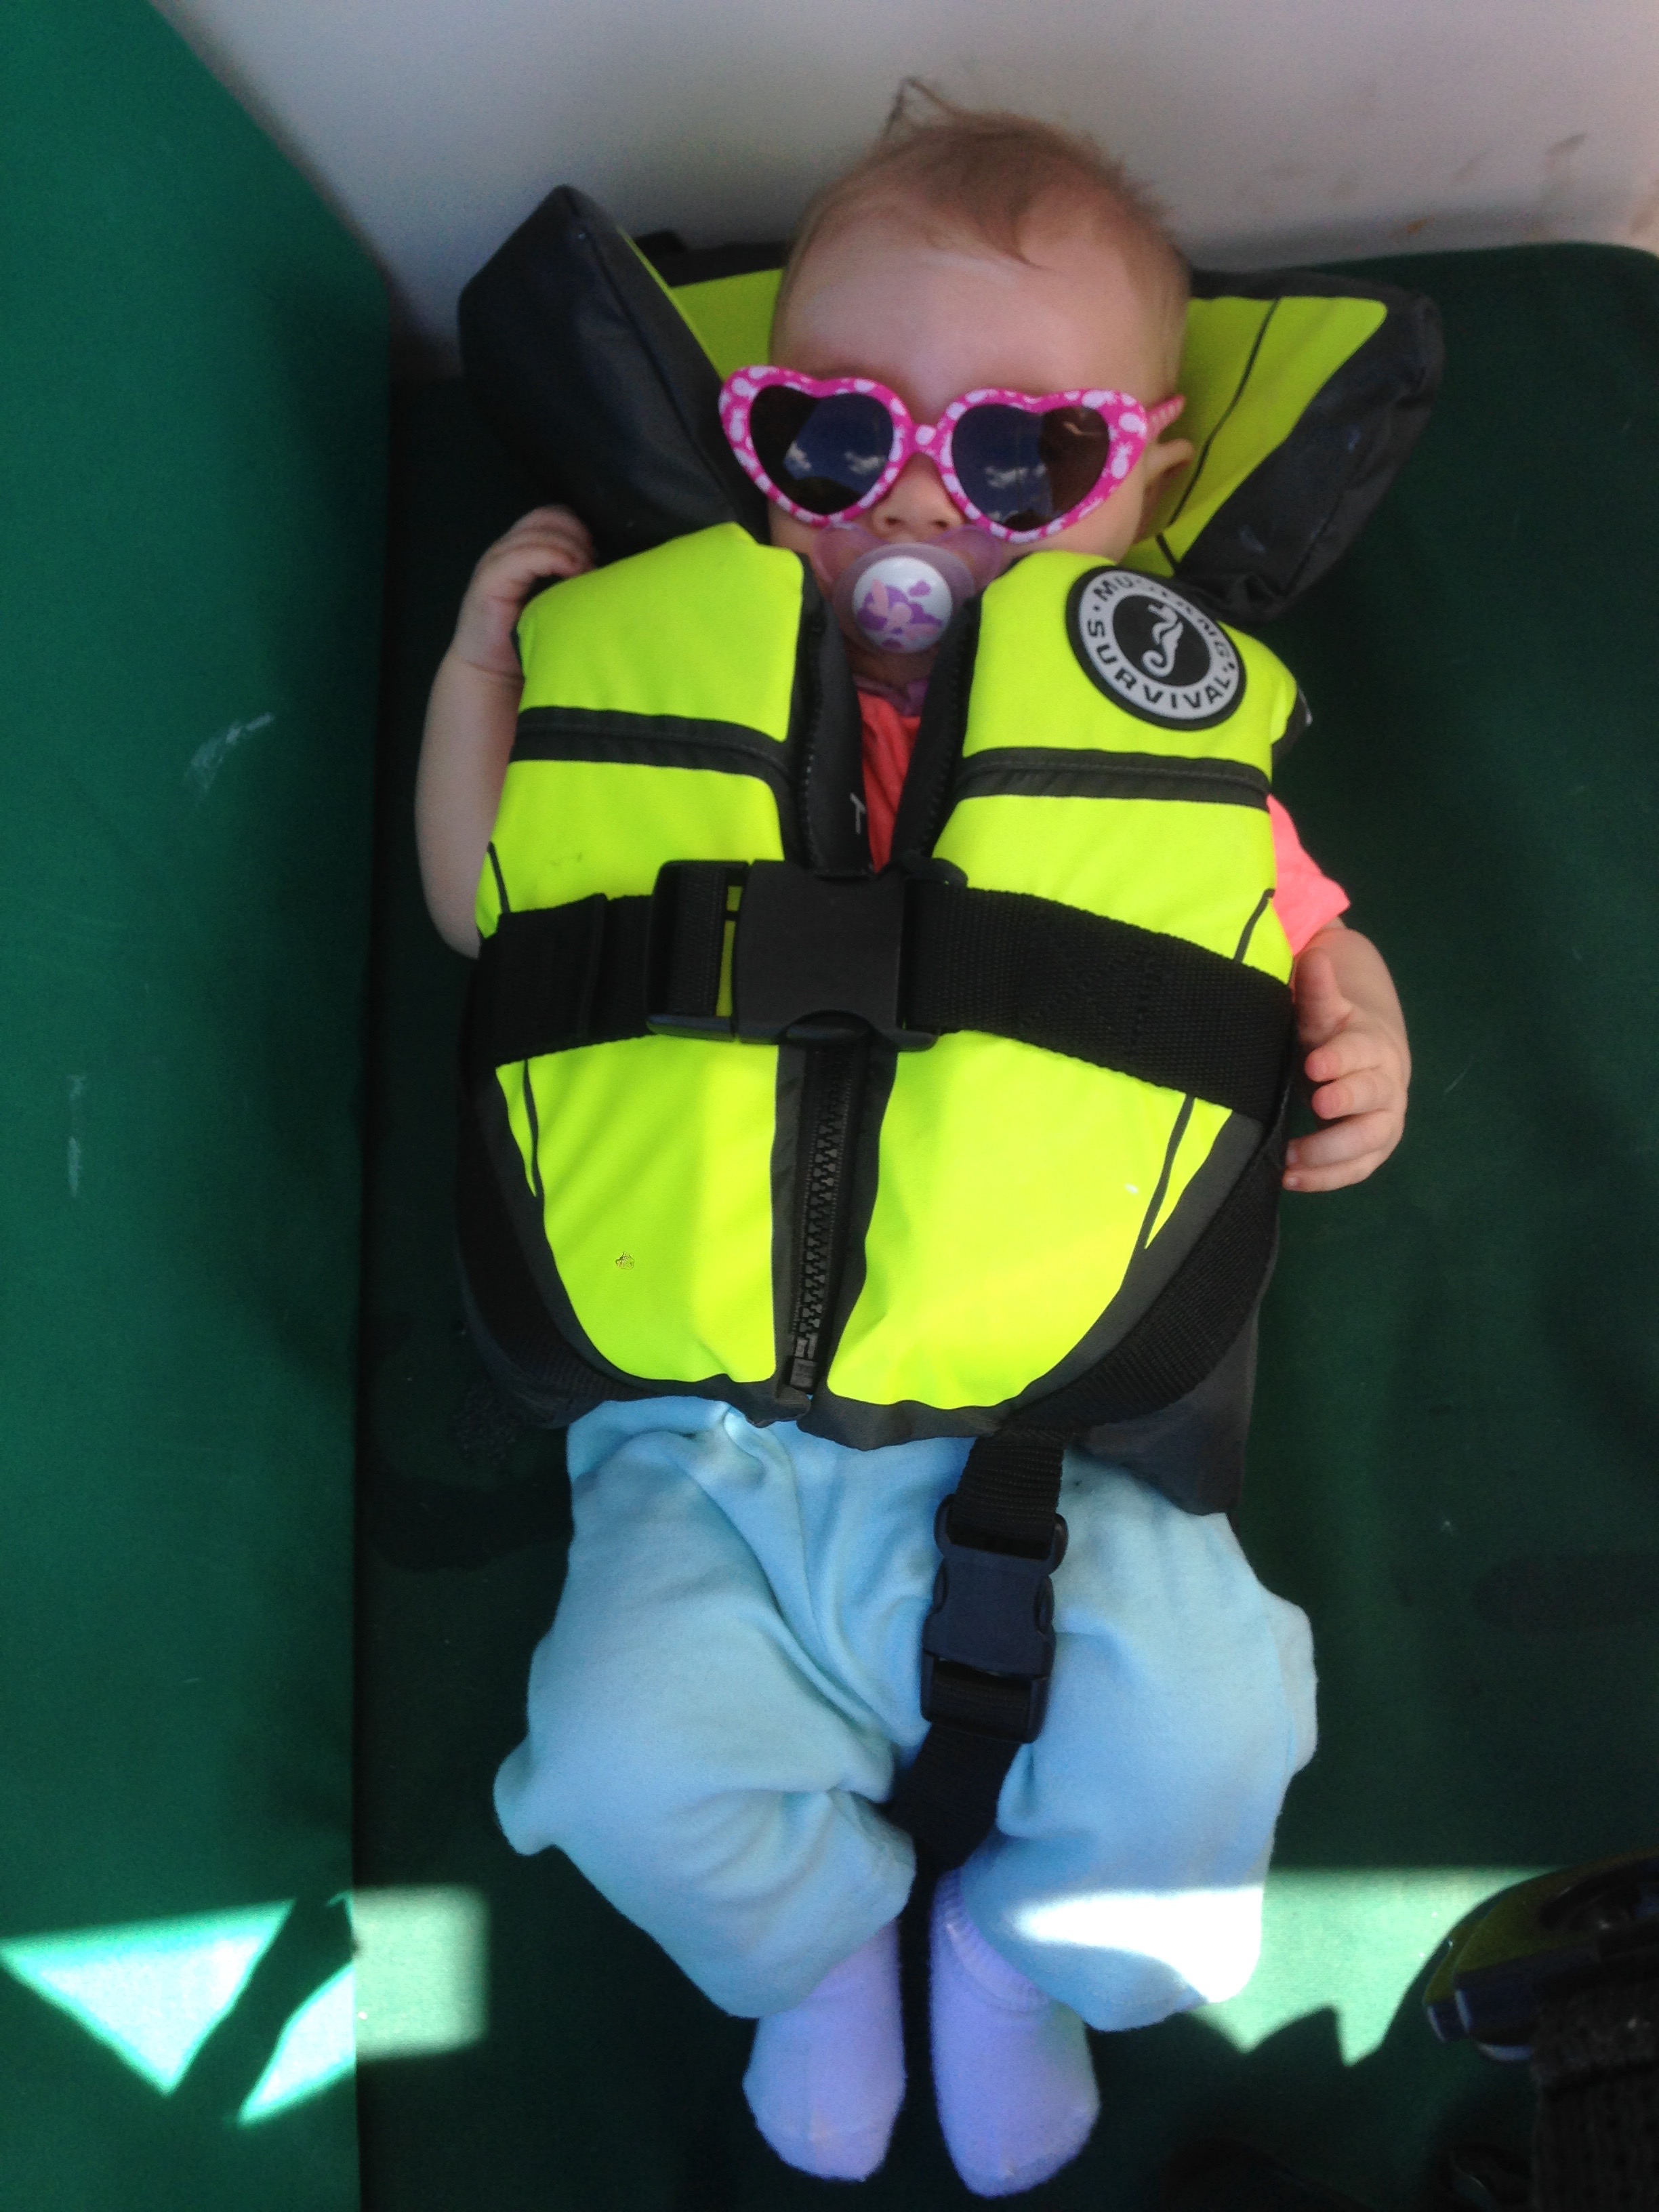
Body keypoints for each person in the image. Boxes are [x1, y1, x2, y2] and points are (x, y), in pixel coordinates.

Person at [417, 91, 1410, 2200]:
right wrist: (487, 674)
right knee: (613, 1761)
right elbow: (483, 902)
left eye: (1024, 458)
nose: (926, 507)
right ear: (758, 461)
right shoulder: (667, 678)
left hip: (1072, 1441)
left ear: (1146, 485)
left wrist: (1363, 1025)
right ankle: (813, 1946)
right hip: (704, 1456)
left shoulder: (1166, 743)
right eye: (835, 441)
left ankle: (1021, 1952)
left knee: (1209, 1749)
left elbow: (1291, 936)